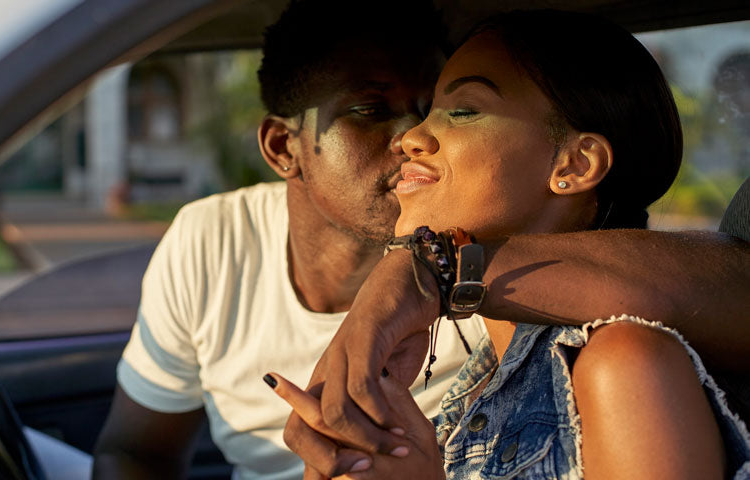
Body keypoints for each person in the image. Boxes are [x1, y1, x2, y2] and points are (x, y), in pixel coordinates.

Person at [93, 1, 750, 479]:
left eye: (459, 110)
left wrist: (428, 272)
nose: (409, 135)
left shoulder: (620, 365)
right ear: (280, 147)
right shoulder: (476, 379)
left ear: (573, 165)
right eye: (380, 111)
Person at [92, 2, 478, 479]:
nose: (419, 137)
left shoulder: (487, 255)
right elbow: (135, 453)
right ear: (282, 148)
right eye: (371, 110)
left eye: (436, 110)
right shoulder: (213, 241)